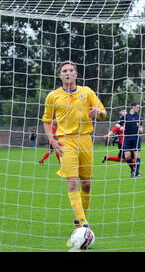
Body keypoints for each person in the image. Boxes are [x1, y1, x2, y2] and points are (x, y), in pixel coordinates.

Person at [41, 60, 106, 230]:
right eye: (64, 71)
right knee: (72, 182)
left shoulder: (87, 92)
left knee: (87, 183)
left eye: (71, 70)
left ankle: (79, 219)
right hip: (65, 141)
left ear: (76, 74)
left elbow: (104, 114)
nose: (68, 73)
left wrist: (98, 113)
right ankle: (83, 223)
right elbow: (47, 121)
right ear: (60, 75)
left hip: (85, 139)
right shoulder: (53, 96)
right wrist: (52, 140)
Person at [102, 110, 136, 175]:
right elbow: (112, 130)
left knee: (123, 159)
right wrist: (108, 135)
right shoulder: (119, 125)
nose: (126, 116)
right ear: (121, 117)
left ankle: (107, 158)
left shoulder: (130, 122)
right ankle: (134, 171)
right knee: (129, 157)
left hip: (130, 142)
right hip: (123, 144)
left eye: (126, 115)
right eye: (124, 115)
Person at [120, 102, 143, 177]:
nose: (138, 108)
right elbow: (118, 124)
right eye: (137, 107)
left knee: (137, 156)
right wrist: (121, 127)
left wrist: (141, 128)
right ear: (133, 107)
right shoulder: (126, 116)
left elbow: (140, 125)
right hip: (127, 138)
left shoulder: (139, 116)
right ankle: (134, 169)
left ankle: (136, 173)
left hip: (136, 137)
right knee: (127, 157)